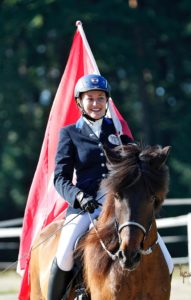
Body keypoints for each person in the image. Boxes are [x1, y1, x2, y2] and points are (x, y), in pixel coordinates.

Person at [47, 74, 132, 300]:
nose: (96, 103)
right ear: (80, 102)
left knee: (155, 244)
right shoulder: (70, 133)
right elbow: (60, 178)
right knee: (65, 254)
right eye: (90, 99)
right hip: (86, 205)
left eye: (100, 98)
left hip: (118, 204)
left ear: (107, 101)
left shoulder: (117, 131)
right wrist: (80, 198)